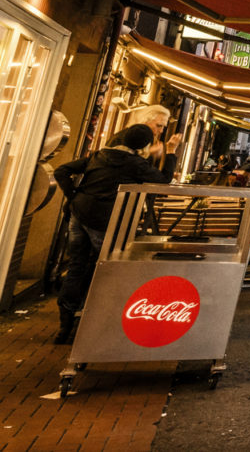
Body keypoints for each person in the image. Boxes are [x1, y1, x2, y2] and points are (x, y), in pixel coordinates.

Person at [52, 124, 171, 344]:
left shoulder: (100, 155)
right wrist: (170, 152)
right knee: (106, 266)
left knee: (77, 265)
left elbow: (61, 171)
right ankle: (99, 318)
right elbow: (164, 182)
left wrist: (74, 195)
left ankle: (65, 325)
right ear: (143, 144)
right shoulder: (135, 164)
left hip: (79, 215)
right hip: (104, 219)